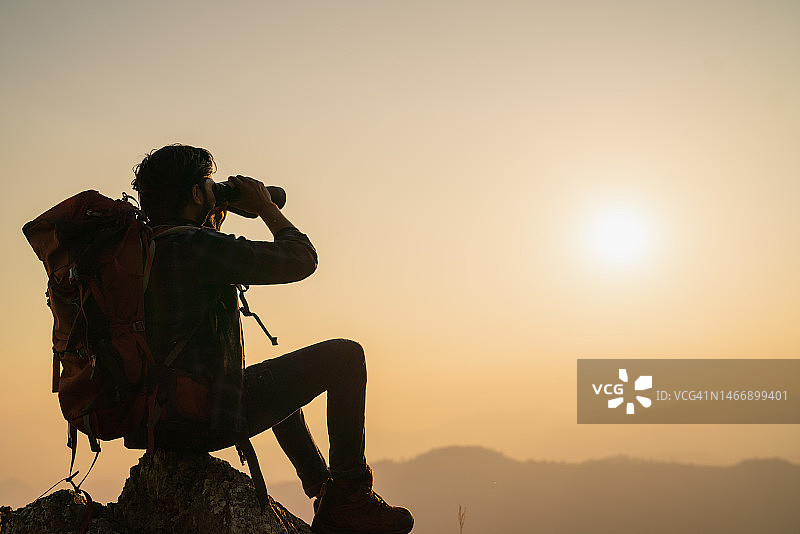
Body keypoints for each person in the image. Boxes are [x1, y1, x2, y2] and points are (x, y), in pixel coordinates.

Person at [126, 144, 414, 534]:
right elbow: (301, 259)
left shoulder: (143, 248)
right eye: (208, 186)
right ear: (195, 194)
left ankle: (321, 488)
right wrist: (264, 206)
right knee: (347, 357)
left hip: (157, 421)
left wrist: (213, 214)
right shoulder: (194, 247)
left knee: (275, 384)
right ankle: (349, 497)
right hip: (203, 418)